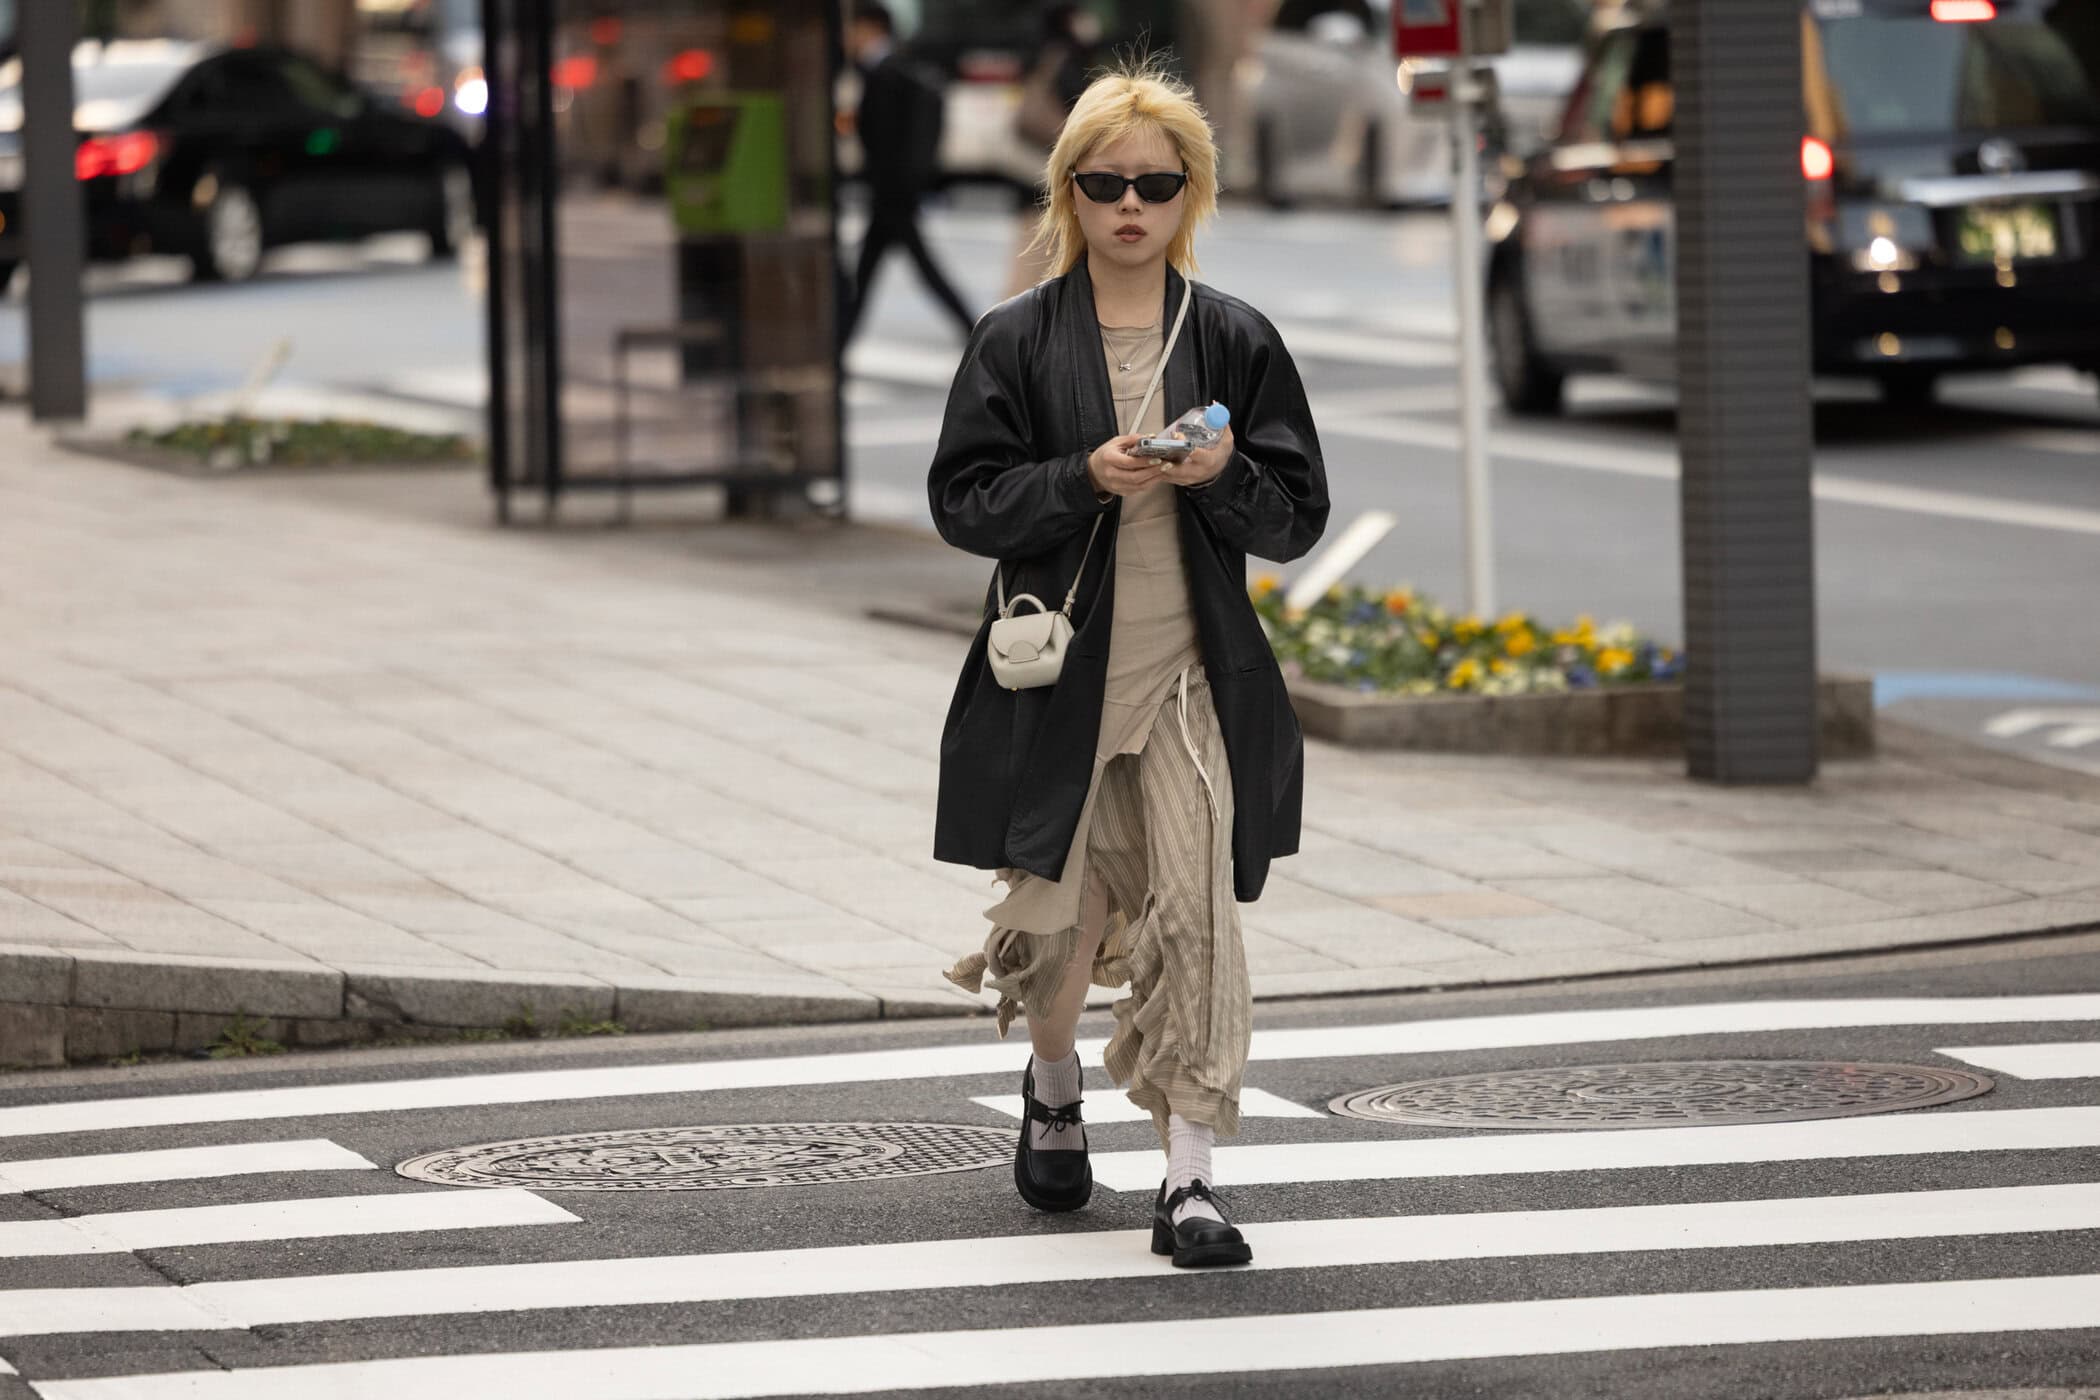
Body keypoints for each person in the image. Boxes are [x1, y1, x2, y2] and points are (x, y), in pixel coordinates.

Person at [929, 57, 1328, 1270]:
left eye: (1157, 183)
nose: (1130, 205)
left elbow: (1297, 516)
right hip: (1056, 682)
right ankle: (1055, 1086)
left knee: (1198, 915)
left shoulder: (1235, 338)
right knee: (1060, 930)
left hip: (1197, 675)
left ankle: (1191, 1180)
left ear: (1189, 194)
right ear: (1071, 190)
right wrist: (1078, 478)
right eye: (1104, 182)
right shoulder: (1015, 337)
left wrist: (1225, 477)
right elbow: (962, 498)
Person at [839, 0, 977, 346]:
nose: (847, 38)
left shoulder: (885, 73)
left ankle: (976, 333)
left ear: (870, 28)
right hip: (892, 196)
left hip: (892, 197)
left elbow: (887, 143)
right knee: (882, 274)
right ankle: (839, 345)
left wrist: (893, 189)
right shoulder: (891, 68)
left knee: (913, 272)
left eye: (852, 29)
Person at [1003, 3, 1102, 298]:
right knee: (1043, 257)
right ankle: (1015, 326)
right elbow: (1080, 109)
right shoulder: (1067, 57)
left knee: (1034, 252)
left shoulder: (1040, 52)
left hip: (1032, 169)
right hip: (1051, 170)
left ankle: (1019, 318)